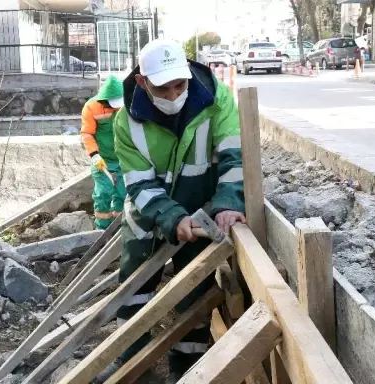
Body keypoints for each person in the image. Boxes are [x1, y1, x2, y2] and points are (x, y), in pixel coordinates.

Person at [94, 39, 246, 383]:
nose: (174, 94)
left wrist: (229, 203)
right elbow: (139, 183)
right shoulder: (126, 121)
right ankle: (134, 363)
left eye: (180, 85)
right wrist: (171, 217)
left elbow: (235, 158)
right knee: (134, 285)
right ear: (144, 82)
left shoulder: (215, 99)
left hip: (200, 206)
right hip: (148, 208)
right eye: (164, 88)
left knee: (194, 288)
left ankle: (187, 368)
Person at [80, 75, 127, 230]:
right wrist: (94, 155)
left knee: (122, 193)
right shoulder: (91, 107)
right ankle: (102, 230)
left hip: (123, 158)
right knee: (103, 194)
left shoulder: (126, 104)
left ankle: (120, 228)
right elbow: (87, 133)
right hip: (102, 159)